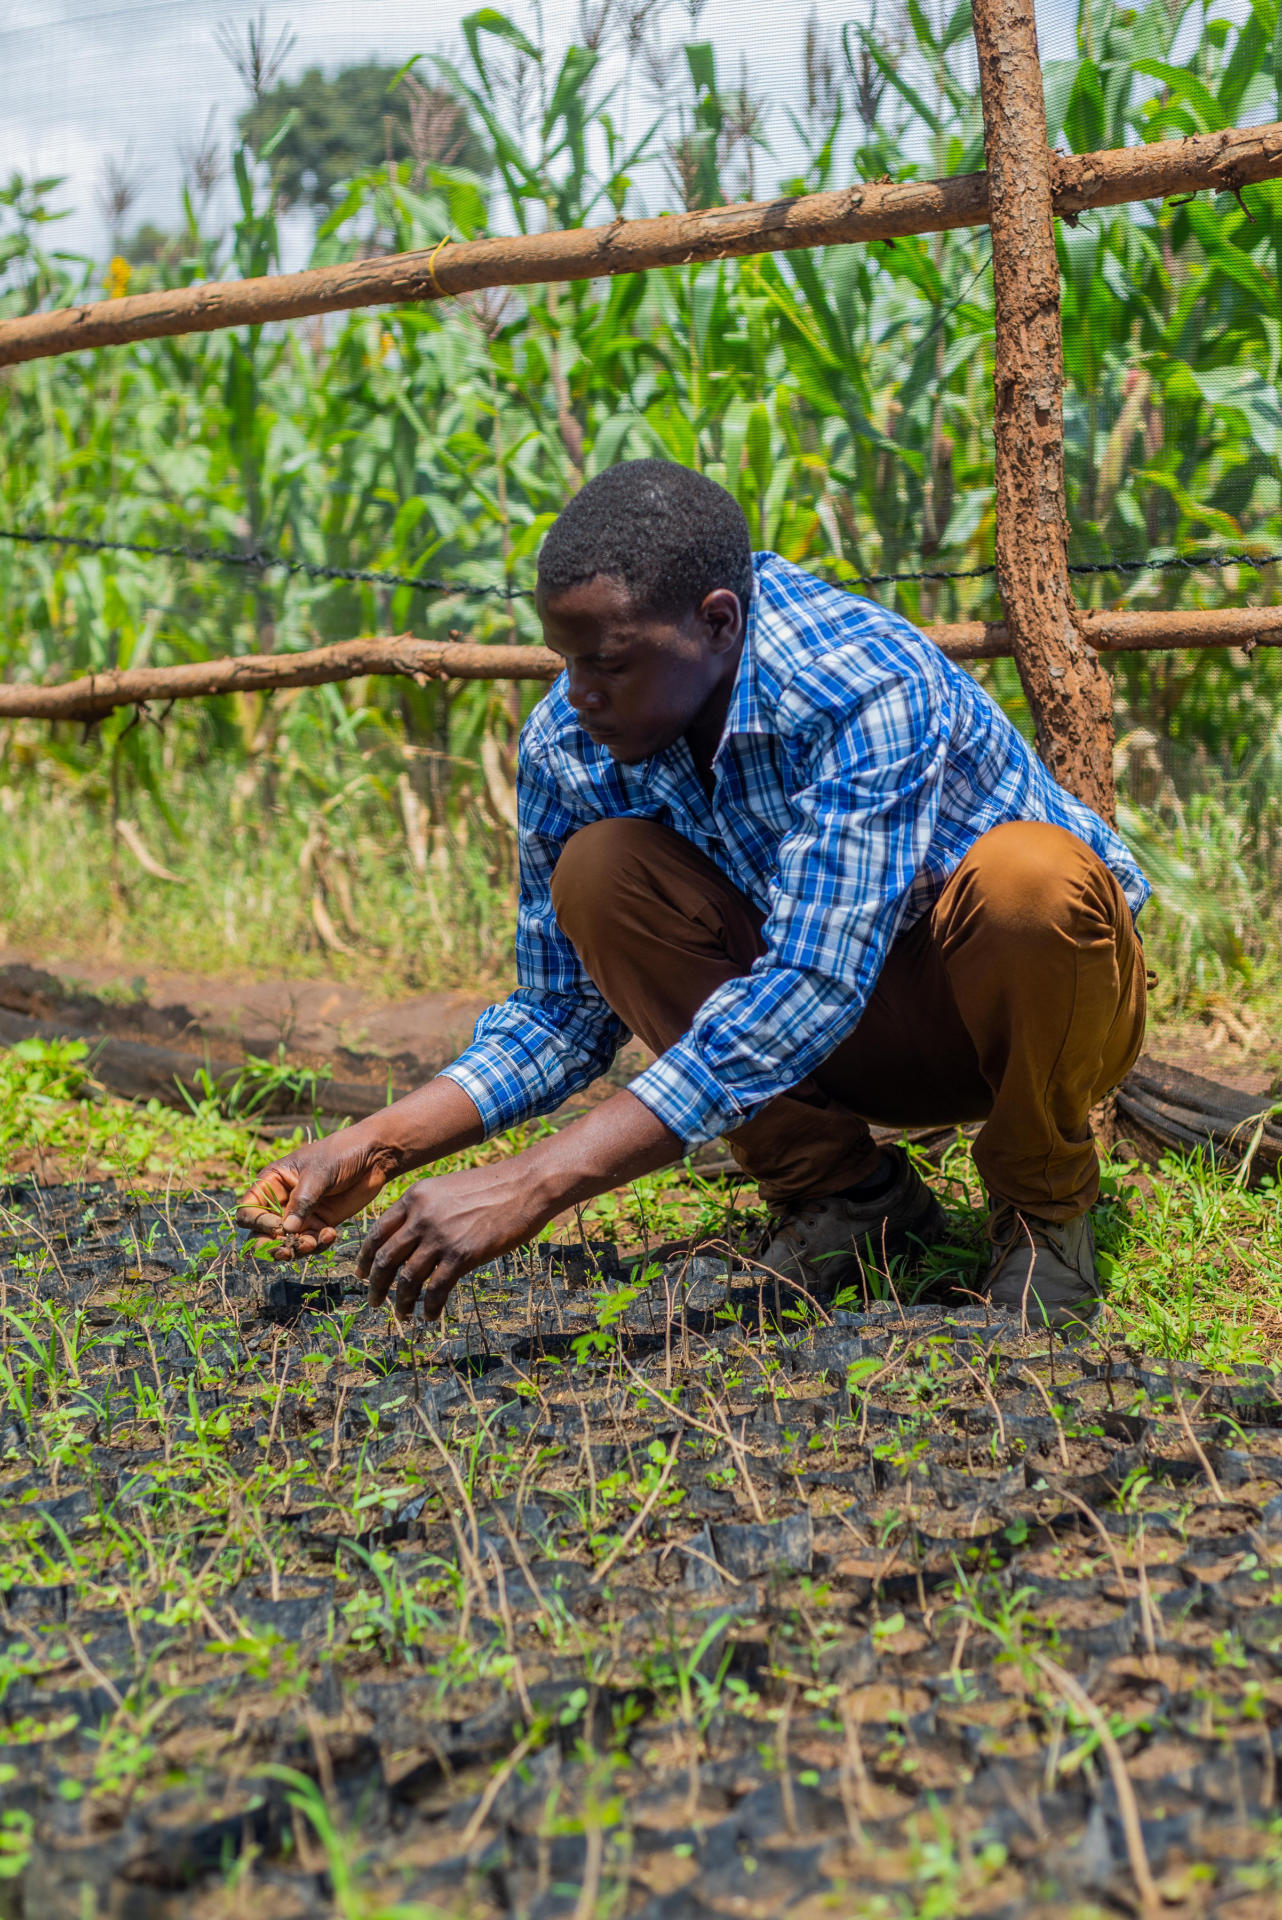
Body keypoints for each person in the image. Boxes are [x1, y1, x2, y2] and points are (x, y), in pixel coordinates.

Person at [237, 460, 1148, 1330]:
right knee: (598, 871)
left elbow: (811, 986)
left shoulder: (863, 682)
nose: (578, 695)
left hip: (1009, 1009)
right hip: (831, 1044)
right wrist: (380, 1145)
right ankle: (845, 1199)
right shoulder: (571, 740)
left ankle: (1040, 1215)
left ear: (718, 622)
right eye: (566, 661)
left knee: (1032, 877)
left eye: (610, 664)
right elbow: (560, 1016)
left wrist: (538, 1181)